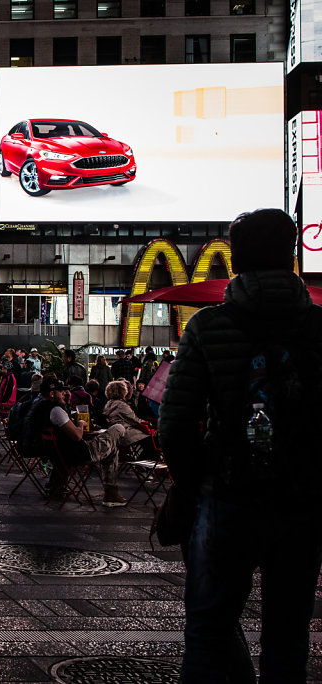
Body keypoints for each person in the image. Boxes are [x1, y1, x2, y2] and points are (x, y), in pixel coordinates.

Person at [158, 208, 322, 683]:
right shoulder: (318, 326)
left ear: (237, 259)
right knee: (289, 638)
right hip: (304, 503)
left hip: (226, 496)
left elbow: (176, 423)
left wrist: (194, 488)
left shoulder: (209, 326)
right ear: (291, 255)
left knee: (209, 629)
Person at [29, 376, 127, 506]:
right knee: (118, 428)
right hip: (79, 453)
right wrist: (81, 424)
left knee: (112, 449)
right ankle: (111, 493)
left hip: (59, 455)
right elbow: (77, 436)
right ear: (52, 394)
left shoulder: (39, 408)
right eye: (60, 392)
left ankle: (111, 493)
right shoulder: (56, 410)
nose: (64, 393)